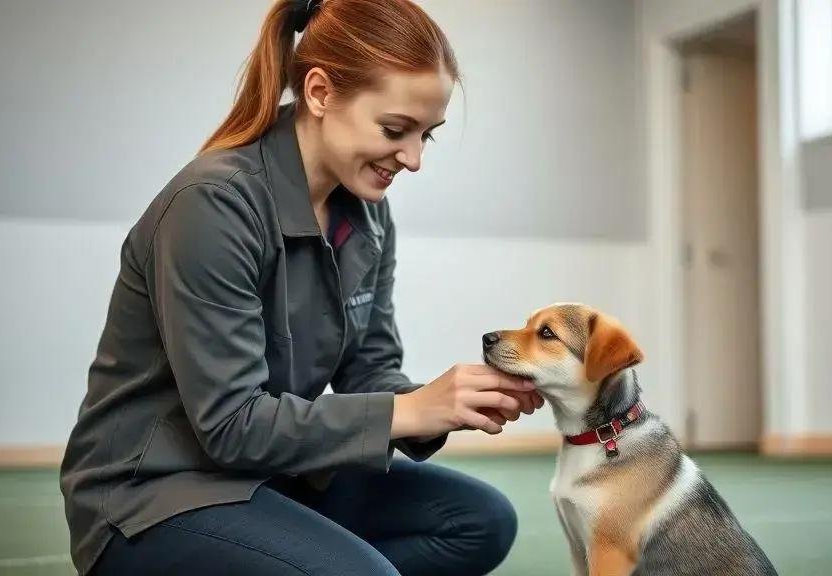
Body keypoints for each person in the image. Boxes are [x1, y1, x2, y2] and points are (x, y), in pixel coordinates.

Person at [59, 1, 543, 574]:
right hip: (154, 495)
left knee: (480, 521)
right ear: (318, 92)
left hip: (270, 475)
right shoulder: (214, 205)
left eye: (426, 137)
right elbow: (232, 426)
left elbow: (370, 370)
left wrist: (451, 404)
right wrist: (407, 411)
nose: (412, 159)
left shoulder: (365, 214)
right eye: (395, 130)